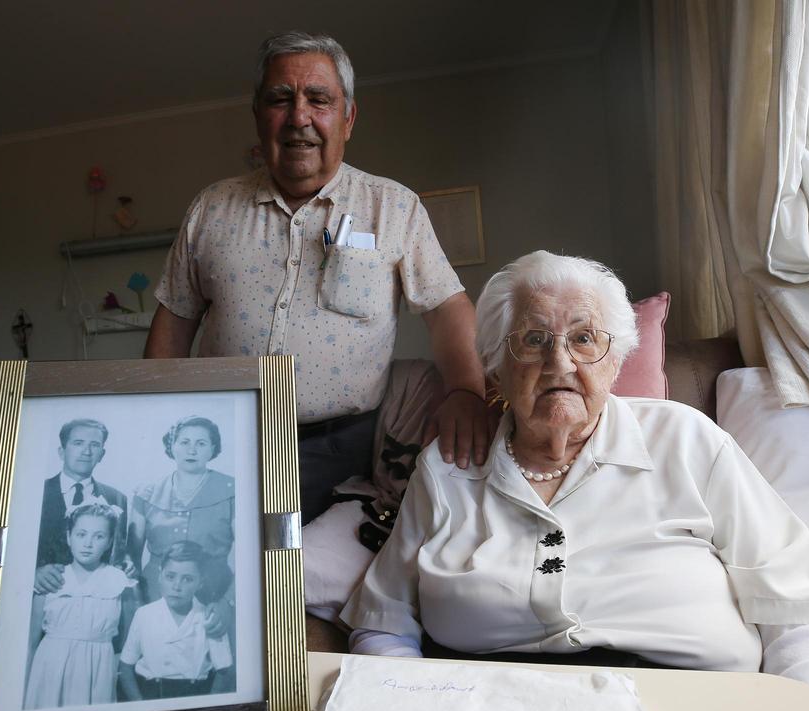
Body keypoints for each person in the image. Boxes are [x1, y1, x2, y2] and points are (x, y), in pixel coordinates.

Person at [341, 250, 809, 711]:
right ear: (496, 367)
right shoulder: (450, 467)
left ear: (617, 358)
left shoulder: (686, 440)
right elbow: (383, 622)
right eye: (533, 341)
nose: (560, 363)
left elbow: (792, 603)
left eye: (583, 339)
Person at [143, 31, 490, 521]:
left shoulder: (394, 207)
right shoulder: (211, 207)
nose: (299, 117)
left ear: (347, 118)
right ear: (259, 116)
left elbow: (446, 306)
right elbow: (175, 318)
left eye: (319, 100)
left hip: (342, 449)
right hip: (219, 444)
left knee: (318, 590)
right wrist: (153, 419)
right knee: (225, 581)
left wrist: (466, 393)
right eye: (279, 99)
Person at [24, 503, 135, 709]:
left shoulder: (120, 582)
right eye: (81, 534)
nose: (88, 544)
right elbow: (31, 643)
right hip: (49, 667)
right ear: (69, 537)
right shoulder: (50, 579)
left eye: (99, 536)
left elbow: (129, 642)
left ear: (110, 541)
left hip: (98, 669)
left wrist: (111, 670)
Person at [127, 416, 234, 605]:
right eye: (184, 442)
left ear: (213, 449)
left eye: (201, 443)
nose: (191, 450)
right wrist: (137, 604)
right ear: (172, 446)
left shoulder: (232, 490)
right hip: (154, 596)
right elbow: (131, 558)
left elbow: (248, 555)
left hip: (216, 596)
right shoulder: (146, 493)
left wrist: (228, 602)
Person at [118, 541, 233, 700]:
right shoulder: (144, 615)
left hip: (194, 697)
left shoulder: (209, 617)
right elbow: (125, 668)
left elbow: (224, 671)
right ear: (160, 575)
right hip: (151, 695)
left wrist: (208, 707)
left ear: (200, 583)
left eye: (187, 579)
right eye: (170, 577)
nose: (177, 586)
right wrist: (140, 704)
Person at [36, 419, 129, 594]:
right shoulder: (35, 492)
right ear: (62, 451)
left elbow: (116, 554)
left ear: (102, 454)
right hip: (42, 594)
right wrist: (31, 573)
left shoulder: (116, 499)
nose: (86, 452)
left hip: (95, 597)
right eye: (78, 443)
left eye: (94, 445)